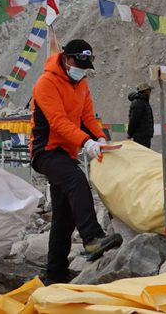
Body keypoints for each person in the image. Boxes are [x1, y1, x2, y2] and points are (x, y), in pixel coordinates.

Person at [30, 39, 122, 284]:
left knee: (64, 216)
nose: (81, 70)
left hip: (67, 152)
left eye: (85, 65)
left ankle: (55, 273)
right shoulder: (46, 83)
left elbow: (87, 117)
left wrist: (100, 137)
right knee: (76, 180)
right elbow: (58, 122)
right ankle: (92, 238)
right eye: (78, 63)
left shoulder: (81, 84)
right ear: (66, 58)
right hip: (46, 150)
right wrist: (86, 143)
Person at [127, 83, 155, 149]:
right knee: (143, 155)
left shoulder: (143, 101)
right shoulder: (138, 103)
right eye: (149, 90)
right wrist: (130, 133)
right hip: (140, 136)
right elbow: (134, 120)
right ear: (145, 91)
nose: (150, 92)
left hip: (144, 135)